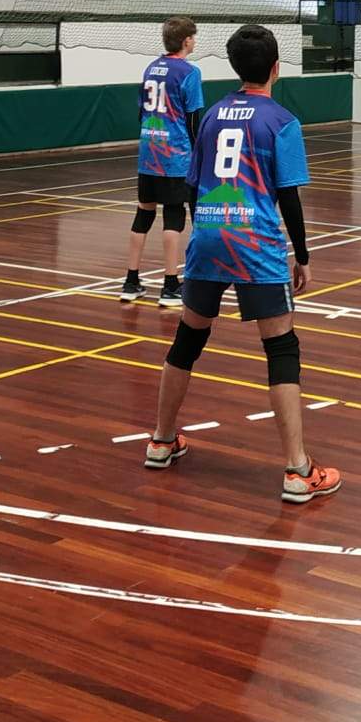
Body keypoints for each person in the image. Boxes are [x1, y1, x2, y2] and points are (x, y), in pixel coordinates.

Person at [143, 25, 340, 506]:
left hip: (209, 234)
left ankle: (161, 441)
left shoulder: (210, 116)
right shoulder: (281, 120)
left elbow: (192, 185)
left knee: (189, 338)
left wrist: (208, 228)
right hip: (255, 242)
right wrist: (303, 254)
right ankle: (298, 470)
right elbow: (289, 197)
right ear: (276, 68)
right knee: (281, 348)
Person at [122, 17, 205, 306]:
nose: (195, 41)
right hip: (175, 155)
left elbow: (141, 112)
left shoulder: (150, 68)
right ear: (186, 41)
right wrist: (199, 155)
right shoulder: (189, 73)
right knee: (173, 215)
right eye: (193, 37)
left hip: (149, 152)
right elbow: (194, 120)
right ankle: (170, 285)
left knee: (143, 213)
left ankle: (131, 281)